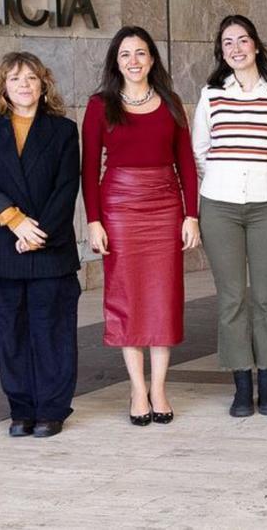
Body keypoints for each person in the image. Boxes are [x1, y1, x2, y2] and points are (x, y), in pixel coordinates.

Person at [83, 26, 200, 426]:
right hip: (118, 206)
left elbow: (185, 160)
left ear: (152, 59)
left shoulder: (171, 102)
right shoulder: (100, 105)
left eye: (141, 53)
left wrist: (191, 214)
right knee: (128, 297)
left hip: (165, 205)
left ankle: (160, 388)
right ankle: (136, 388)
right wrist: (93, 219)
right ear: (116, 62)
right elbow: (87, 168)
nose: (134, 61)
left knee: (163, 296)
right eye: (125, 54)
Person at [0, 52, 81, 438]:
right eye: (15, 79)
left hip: (49, 246)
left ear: (43, 83)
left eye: (31, 78)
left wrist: (37, 233)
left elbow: (66, 188)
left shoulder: (63, 130)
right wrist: (15, 222)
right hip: (1, 245)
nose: (24, 85)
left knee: (52, 330)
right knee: (10, 332)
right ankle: (21, 409)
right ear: (2, 86)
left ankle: (51, 409)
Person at [192, 14, 267, 418]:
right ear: (221, 53)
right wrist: (224, 179)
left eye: (242, 40)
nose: (236, 49)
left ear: (256, 45)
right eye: (227, 44)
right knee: (233, 296)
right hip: (219, 206)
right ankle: (241, 384)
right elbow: (199, 151)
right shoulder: (211, 95)